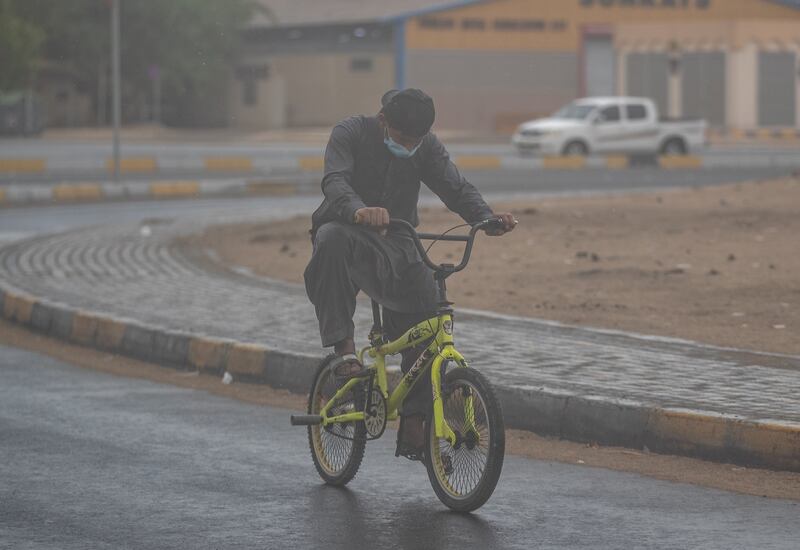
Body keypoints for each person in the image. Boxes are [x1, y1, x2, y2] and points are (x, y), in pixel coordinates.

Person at [304, 88, 516, 460]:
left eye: (416, 141)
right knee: (331, 239)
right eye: (403, 139)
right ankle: (344, 354)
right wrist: (358, 210)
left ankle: (415, 424)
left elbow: (455, 187)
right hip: (347, 233)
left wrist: (486, 218)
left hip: (399, 243)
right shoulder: (351, 132)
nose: (411, 147)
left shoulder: (426, 147)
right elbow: (334, 181)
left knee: (428, 312)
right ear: (384, 121)